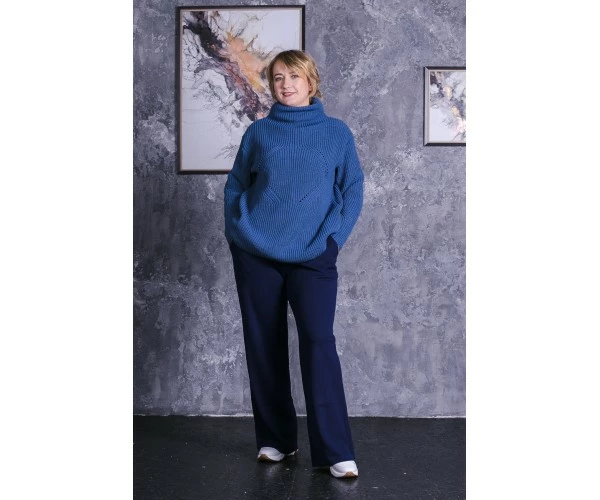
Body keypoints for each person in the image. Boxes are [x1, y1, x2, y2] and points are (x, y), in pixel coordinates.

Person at [224, 50, 364, 479]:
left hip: (314, 255)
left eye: (294, 76)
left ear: (311, 82)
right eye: (278, 77)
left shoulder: (336, 133)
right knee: (263, 343)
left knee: (319, 342)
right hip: (257, 254)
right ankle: (276, 440)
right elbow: (236, 185)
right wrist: (239, 232)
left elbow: (352, 189)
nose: (286, 84)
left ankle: (335, 450)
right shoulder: (259, 133)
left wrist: (333, 242)